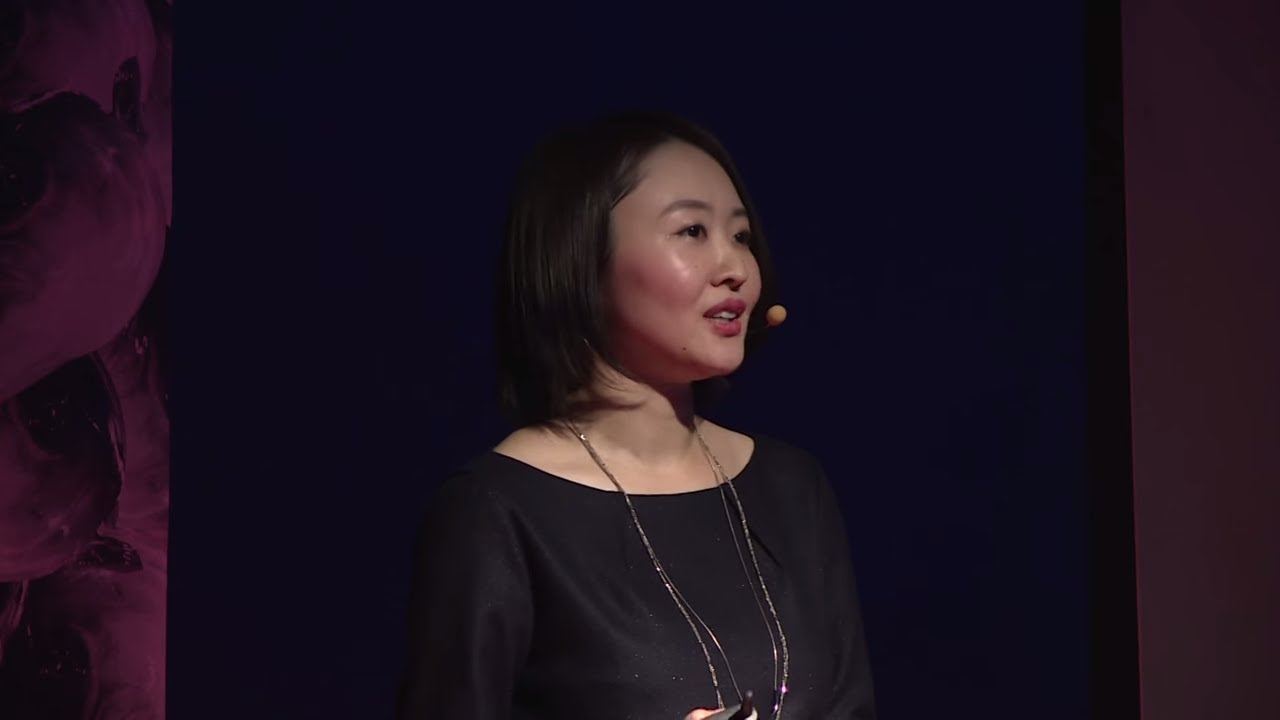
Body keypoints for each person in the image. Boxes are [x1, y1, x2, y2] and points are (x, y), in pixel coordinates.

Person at [395, 110, 876, 720]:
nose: (735, 267)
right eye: (692, 231)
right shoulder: (496, 512)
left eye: (741, 236)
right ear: (581, 258)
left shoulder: (792, 486)